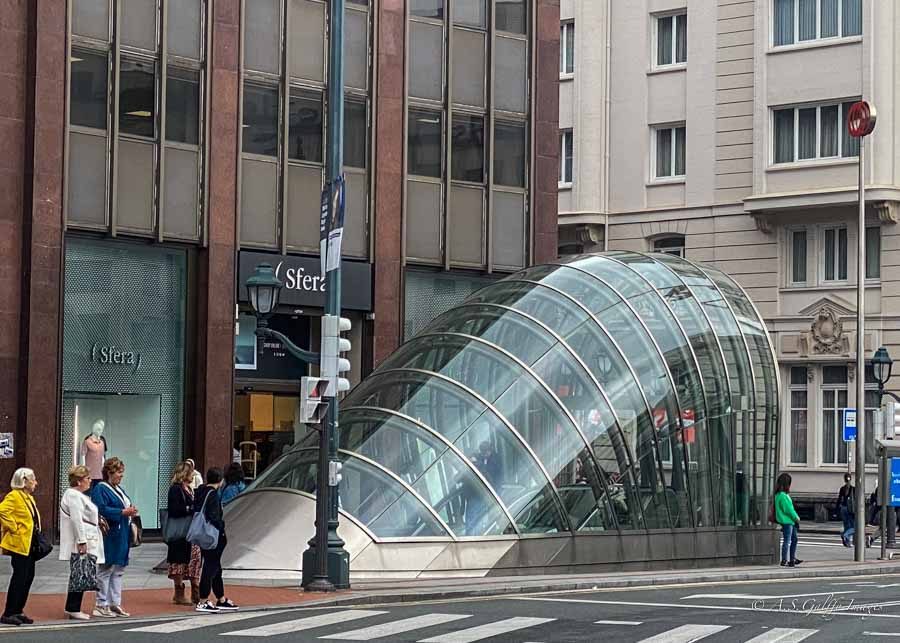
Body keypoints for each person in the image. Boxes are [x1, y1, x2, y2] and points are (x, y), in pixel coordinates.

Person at [91, 457, 138, 618]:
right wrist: (122, 512)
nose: (121, 475)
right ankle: (101, 603)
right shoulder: (100, 489)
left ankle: (114, 603)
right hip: (110, 533)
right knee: (106, 568)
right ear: (109, 473)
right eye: (118, 472)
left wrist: (130, 510)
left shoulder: (118, 489)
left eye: (121, 472)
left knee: (118, 569)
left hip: (121, 532)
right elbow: (100, 509)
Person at [60, 465, 105, 620]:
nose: (90, 481)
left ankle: (73, 607)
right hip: (83, 539)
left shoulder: (78, 495)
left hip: (87, 537)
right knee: (79, 573)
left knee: (80, 573)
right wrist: (82, 541)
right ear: (79, 481)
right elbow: (76, 519)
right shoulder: (73, 495)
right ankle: (73, 607)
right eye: (87, 478)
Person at [194, 468, 239, 613]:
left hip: (203, 535)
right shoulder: (212, 495)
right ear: (220, 480)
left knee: (215, 566)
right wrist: (221, 528)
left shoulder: (201, 492)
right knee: (210, 566)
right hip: (213, 535)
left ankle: (221, 598)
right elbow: (214, 516)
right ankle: (203, 599)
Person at [0, 468, 41, 626]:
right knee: (19, 578)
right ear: (24, 481)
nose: (35, 482)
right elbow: (2, 511)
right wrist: (13, 527)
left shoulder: (27, 498)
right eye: (33, 479)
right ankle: (9, 612)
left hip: (29, 544)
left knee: (27, 578)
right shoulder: (14, 496)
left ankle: (18, 610)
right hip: (19, 544)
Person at [166, 462, 200, 606]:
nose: (194, 475)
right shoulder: (175, 489)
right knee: (178, 561)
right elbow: (174, 510)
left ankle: (196, 590)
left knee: (194, 558)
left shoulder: (189, 489)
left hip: (190, 531)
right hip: (179, 532)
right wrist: (189, 508)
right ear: (185, 474)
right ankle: (179, 592)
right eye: (191, 473)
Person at [774, 472, 803, 567]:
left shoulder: (778, 495)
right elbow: (788, 509)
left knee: (794, 539)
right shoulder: (783, 495)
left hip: (787, 521)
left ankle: (792, 559)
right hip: (788, 521)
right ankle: (785, 559)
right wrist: (796, 517)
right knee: (788, 540)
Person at [836, 472, 855, 547]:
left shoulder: (842, 489)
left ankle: (847, 543)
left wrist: (836, 510)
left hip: (843, 508)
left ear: (844, 479)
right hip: (850, 509)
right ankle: (845, 535)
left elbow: (839, 500)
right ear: (851, 479)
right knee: (854, 527)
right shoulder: (853, 489)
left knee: (846, 526)